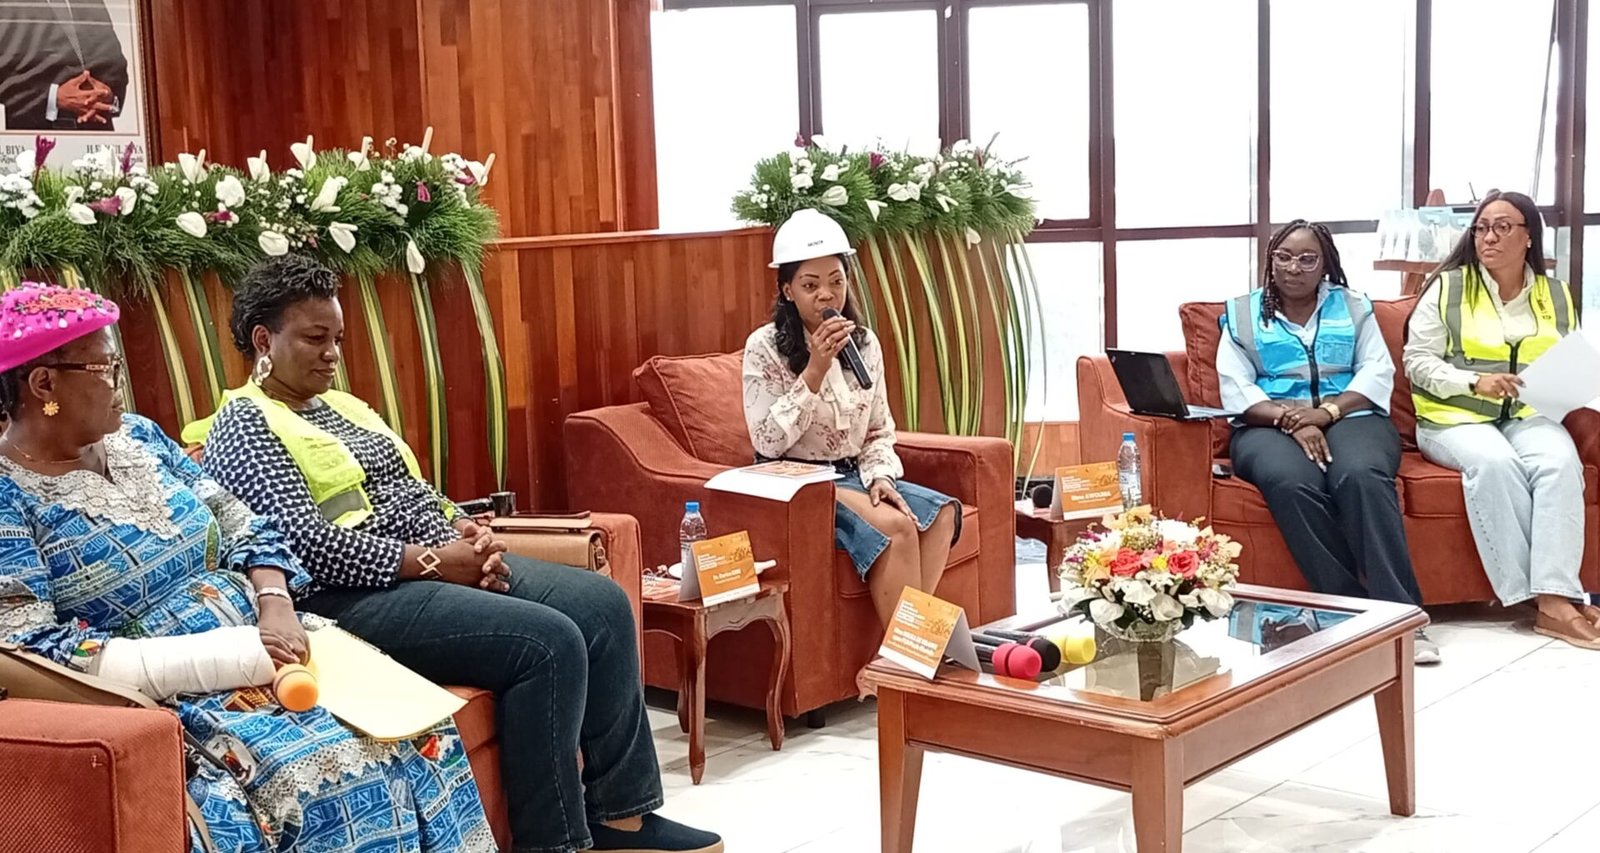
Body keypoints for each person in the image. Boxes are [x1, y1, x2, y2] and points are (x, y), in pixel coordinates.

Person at [186, 254, 722, 853]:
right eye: (315, 339)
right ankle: (554, 844)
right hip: (350, 597)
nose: (332, 353)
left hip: (432, 565)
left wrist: (467, 532)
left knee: (602, 605)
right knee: (547, 643)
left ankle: (623, 819)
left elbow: (413, 488)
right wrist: (435, 562)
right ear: (264, 340)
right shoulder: (243, 426)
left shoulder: (342, 407)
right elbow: (306, 546)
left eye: (338, 338)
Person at [0, 283, 495, 852]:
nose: (121, 385)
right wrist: (230, 656)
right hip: (179, 689)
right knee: (328, 778)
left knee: (420, 729)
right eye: (107, 369)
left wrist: (276, 603)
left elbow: (246, 525)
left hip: (279, 636)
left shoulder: (140, 438)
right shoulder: (9, 496)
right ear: (45, 384)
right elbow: (26, 651)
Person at [1217, 219, 1438, 664]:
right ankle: (1347, 613)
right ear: (1270, 261)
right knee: (1290, 480)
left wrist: (1326, 413)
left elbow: (1376, 370)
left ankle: (1402, 619)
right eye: (1284, 257)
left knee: (1360, 475)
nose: (1293, 268)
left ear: (1325, 265)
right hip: (1267, 424)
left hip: (1353, 415)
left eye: (1307, 259)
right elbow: (1236, 387)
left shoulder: (1354, 307)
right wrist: (1291, 420)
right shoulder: (1242, 313)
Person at [742, 208, 961, 627]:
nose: (826, 295)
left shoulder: (864, 343)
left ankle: (901, 650)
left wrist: (881, 477)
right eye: (810, 285)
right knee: (898, 527)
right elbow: (767, 441)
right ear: (787, 290)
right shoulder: (764, 347)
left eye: (836, 282)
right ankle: (910, 654)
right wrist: (814, 370)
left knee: (942, 516)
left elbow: (878, 430)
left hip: (853, 475)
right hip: (795, 478)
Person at [1403, 190, 1599, 650]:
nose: (1488, 237)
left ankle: (1555, 597)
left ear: (1529, 236)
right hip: (1454, 417)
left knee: (1559, 464)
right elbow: (1417, 361)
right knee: (1496, 464)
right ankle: (1539, 600)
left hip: (1528, 414)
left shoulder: (1556, 294)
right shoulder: (1448, 287)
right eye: (1482, 228)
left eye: (1502, 227)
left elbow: (1566, 357)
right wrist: (1474, 382)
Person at [0, 0, 129, 129]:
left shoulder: (92, 3)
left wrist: (108, 96)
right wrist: (53, 97)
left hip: (97, 132)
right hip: (33, 133)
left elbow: (115, 66)